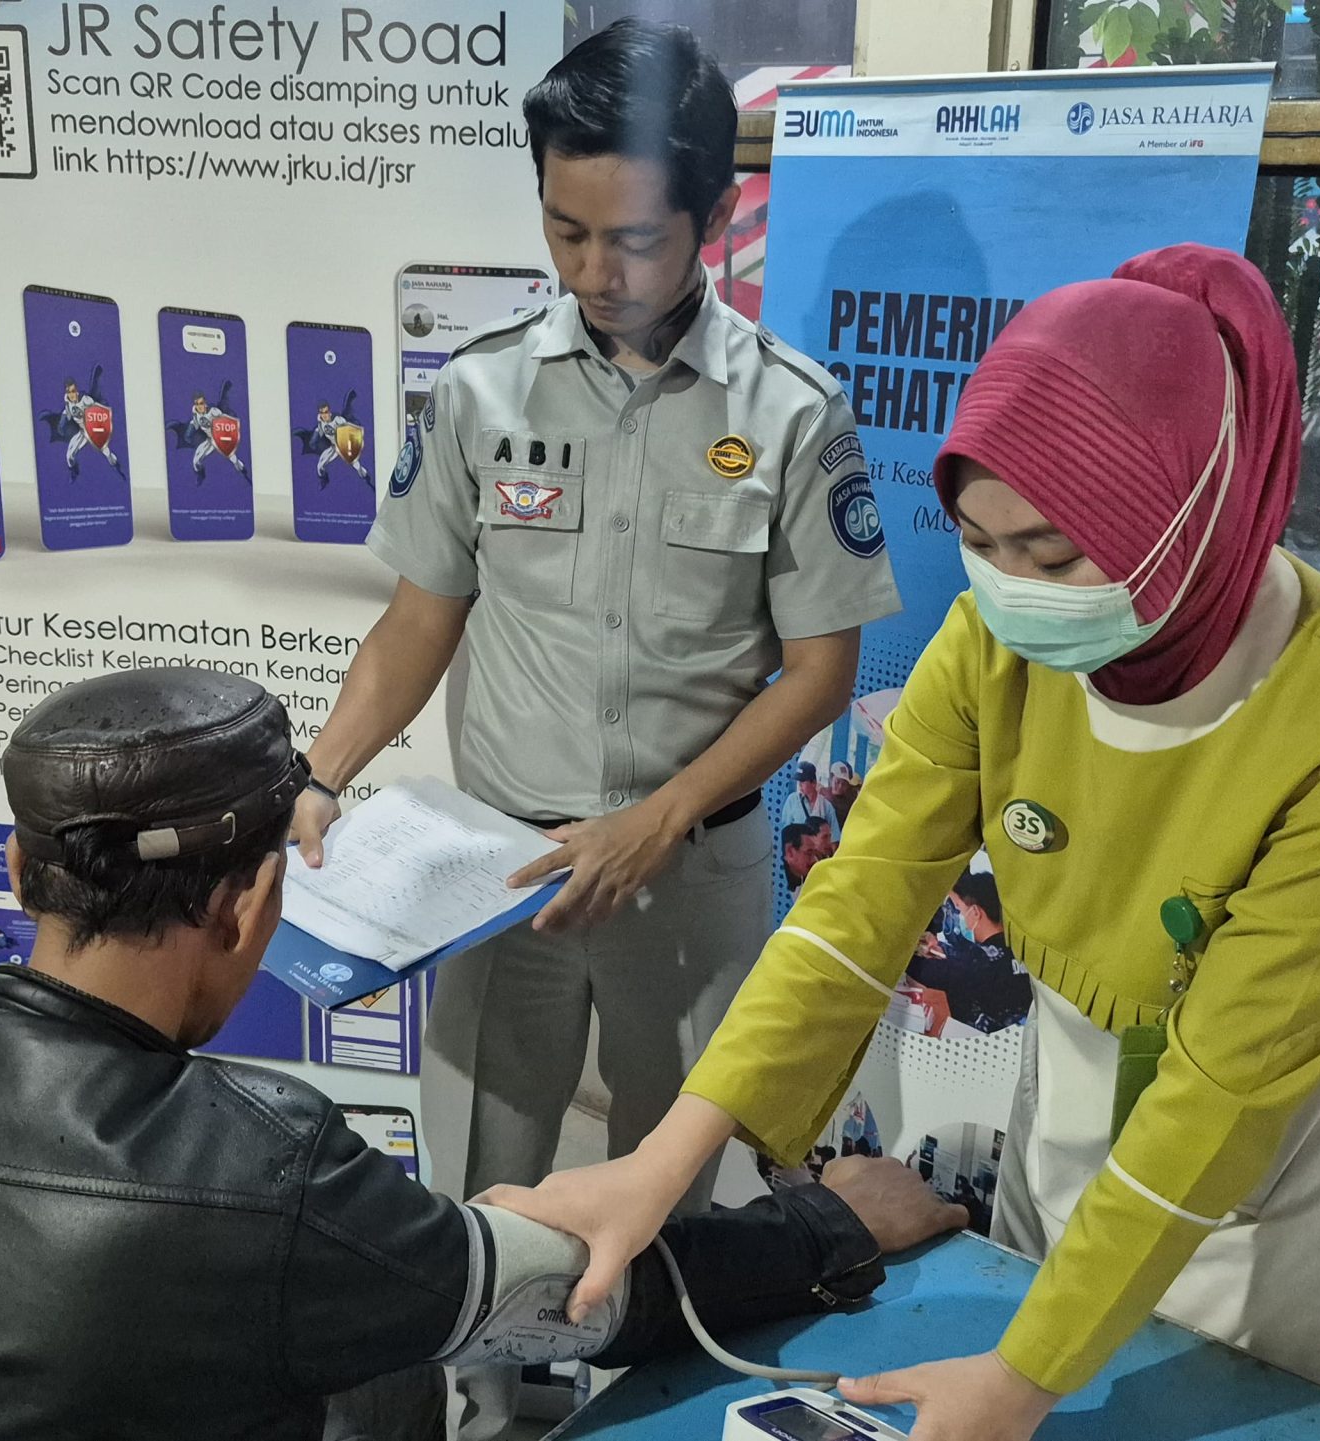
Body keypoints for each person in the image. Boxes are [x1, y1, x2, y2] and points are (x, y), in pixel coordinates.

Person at [490, 245, 1320, 1439]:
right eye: (977, 540)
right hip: (1071, 1145)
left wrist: (1019, 1378)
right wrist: (659, 1162)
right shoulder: (989, 645)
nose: (1011, 588)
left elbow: (1227, 1088)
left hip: (1278, 1204)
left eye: (1050, 553)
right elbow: (856, 910)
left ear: (1188, 512)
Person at [0, 667, 966, 1441]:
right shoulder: (263, 1167)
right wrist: (831, 1224)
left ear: (24, 870)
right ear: (251, 902)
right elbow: (571, 1295)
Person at [295, 21, 899, 1437]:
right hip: (498, 871)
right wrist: (316, 772)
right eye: (565, 232)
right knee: (480, 1173)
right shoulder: (481, 389)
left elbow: (820, 671)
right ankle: (483, 1412)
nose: (593, 271)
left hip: (689, 869)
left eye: (631, 239)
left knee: (673, 1186)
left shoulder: (790, 415)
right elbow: (418, 619)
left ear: (713, 213)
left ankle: (642, 1415)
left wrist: (659, 817)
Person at [905, 870, 1030, 1035]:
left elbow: (916, 968)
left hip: (980, 1044)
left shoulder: (975, 962)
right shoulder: (1023, 950)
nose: (957, 916)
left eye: (958, 908)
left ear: (976, 912)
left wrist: (914, 945)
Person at [779, 760, 844, 832]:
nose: (800, 785)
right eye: (798, 781)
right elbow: (785, 830)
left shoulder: (826, 806)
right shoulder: (792, 800)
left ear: (813, 783)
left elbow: (835, 834)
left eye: (803, 781)